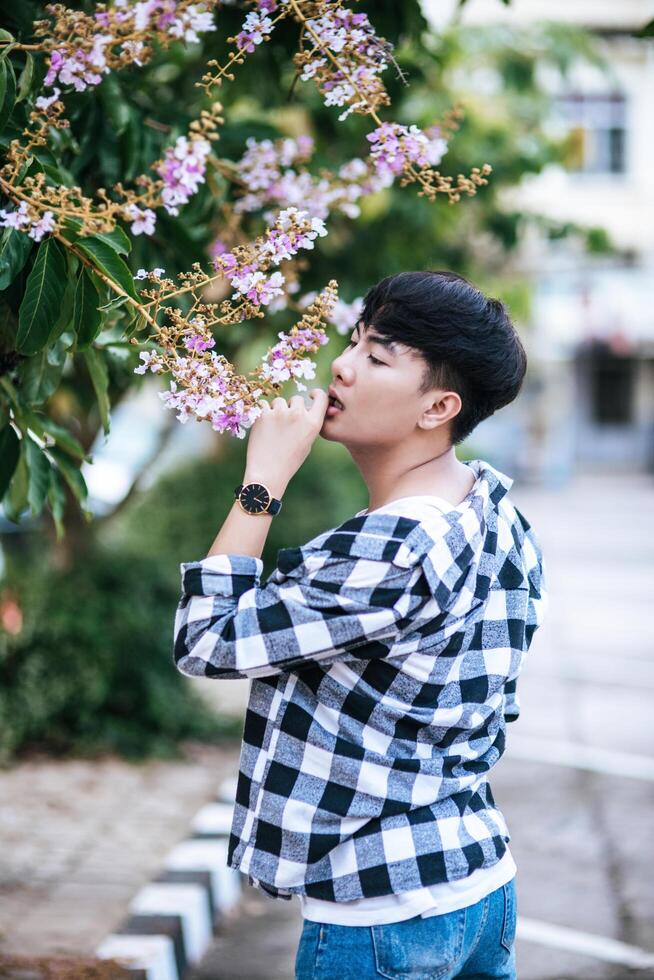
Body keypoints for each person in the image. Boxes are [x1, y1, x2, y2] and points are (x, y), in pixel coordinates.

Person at [173, 270, 549, 979]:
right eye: (353, 341)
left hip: (384, 915)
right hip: (479, 882)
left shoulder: (393, 546)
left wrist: (264, 480)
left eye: (378, 357)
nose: (340, 365)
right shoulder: (493, 508)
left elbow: (206, 641)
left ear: (439, 406)